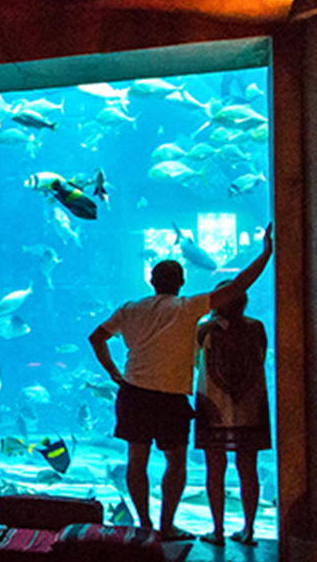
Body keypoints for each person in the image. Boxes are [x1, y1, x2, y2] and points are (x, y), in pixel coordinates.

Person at [88, 224, 273, 540]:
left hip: (134, 393)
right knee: (175, 462)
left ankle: (144, 523)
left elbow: (97, 337)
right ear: (182, 282)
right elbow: (240, 284)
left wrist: (112, 372)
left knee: (137, 459)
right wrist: (266, 251)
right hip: (171, 398)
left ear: (151, 281)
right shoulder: (189, 308)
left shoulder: (130, 308)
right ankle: (167, 525)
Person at [195, 280, 271, 546]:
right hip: (251, 406)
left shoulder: (205, 330)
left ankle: (217, 530)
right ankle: (249, 529)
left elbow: (196, 363)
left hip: (212, 406)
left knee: (215, 468)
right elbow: (261, 358)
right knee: (248, 468)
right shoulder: (257, 328)